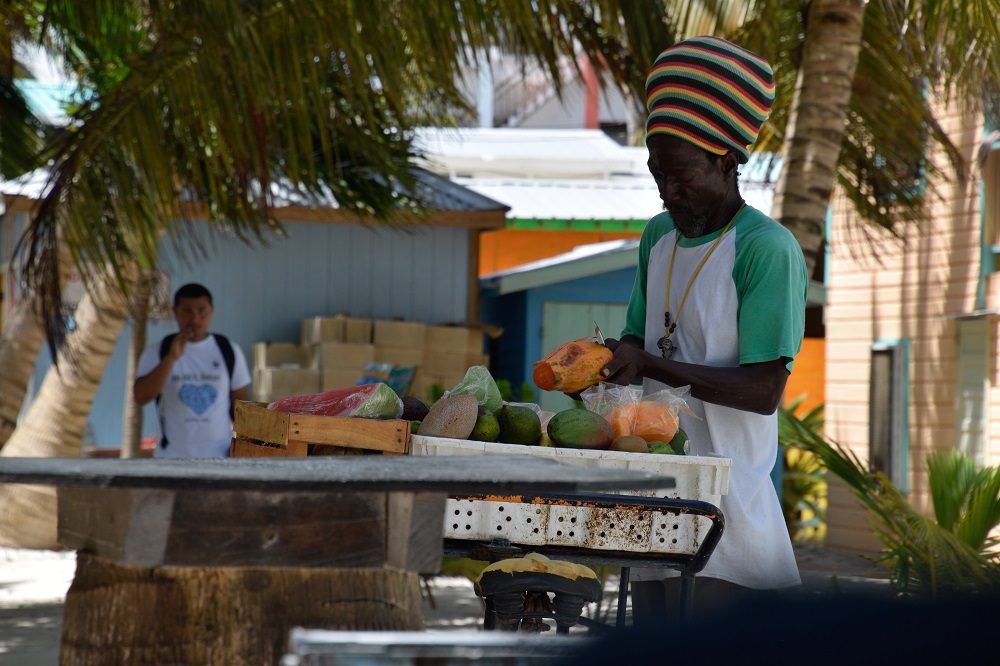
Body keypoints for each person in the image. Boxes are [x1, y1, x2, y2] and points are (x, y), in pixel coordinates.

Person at [599, 36, 808, 620]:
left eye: (681, 174)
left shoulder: (765, 249)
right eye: (656, 173)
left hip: (730, 511)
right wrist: (612, 360)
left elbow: (763, 393)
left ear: (726, 161)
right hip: (655, 499)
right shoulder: (657, 237)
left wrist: (652, 365)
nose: (667, 190)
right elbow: (640, 339)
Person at [134, 283, 251, 458]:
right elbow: (140, 396)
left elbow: (242, 409)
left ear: (211, 310)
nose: (195, 319)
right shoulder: (158, 351)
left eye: (202, 311)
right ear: (176, 312)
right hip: (171, 458)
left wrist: (242, 447)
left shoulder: (229, 350)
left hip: (221, 457)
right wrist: (170, 359)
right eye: (187, 311)